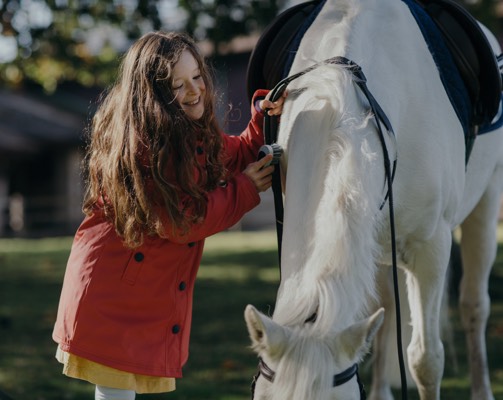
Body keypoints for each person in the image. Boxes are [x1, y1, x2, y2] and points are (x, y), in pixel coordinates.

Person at [52, 31, 287, 400]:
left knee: (119, 391)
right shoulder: (147, 149)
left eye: (197, 78)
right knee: (115, 390)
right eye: (178, 85)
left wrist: (261, 116)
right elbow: (183, 221)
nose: (194, 91)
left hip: (138, 289)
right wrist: (244, 189)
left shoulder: (193, 135)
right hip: (113, 290)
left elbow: (237, 153)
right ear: (153, 96)